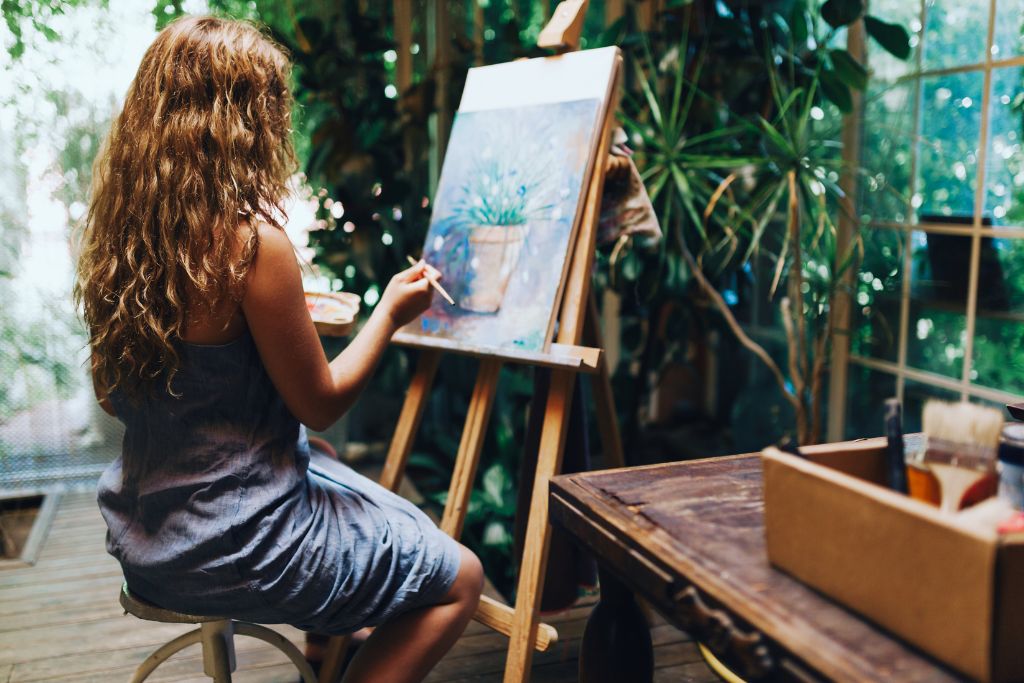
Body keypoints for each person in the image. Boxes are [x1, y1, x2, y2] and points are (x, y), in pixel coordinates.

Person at [73, 15, 483, 683]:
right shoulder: (251, 246)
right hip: (235, 543)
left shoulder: (122, 241)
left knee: (319, 465)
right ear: (239, 123)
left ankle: (324, 650)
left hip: (150, 534)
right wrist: (390, 311)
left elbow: (114, 393)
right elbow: (320, 402)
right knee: (461, 576)